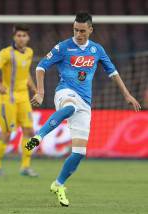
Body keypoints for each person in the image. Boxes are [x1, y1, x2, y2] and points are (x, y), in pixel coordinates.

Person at [25, 12, 141, 207]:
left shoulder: (97, 50)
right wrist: (41, 92)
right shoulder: (63, 47)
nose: (78, 34)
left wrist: (127, 95)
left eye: (82, 30)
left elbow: (113, 73)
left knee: (79, 153)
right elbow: (41, 67)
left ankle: (58, 184)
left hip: (85, 103)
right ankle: (39, 136)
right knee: (69, 107)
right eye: (75, 30)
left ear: (90, 30)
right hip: (65, 92)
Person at [0, 24, 38, 177]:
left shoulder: (29, 52)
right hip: (8, 97)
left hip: (23, 96)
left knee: (30, 130)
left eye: (24, 35)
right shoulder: (6, 53)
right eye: (19, 35)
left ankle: (26, 166)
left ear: (28, 38)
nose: (21, 38)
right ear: (14, 37)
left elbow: (26, 72)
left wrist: (34, 88)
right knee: (7, 132)